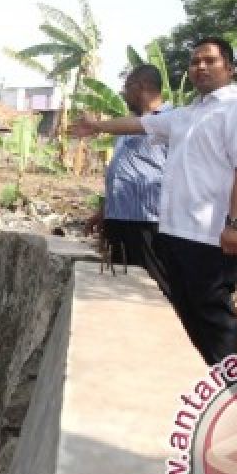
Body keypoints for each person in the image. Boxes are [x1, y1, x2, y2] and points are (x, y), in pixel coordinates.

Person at [72, 37, 237, 365]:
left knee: (213, 317)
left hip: (211, 234)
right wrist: (97, 126)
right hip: (176, 232)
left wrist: (235, 223)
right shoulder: (187, 115)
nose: (200, 67)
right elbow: (137, 124)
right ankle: (197, 384)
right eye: (194, 62)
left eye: (209, 61)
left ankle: (226, 388)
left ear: (230, 68)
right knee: (186, 311)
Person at [86, 64, 170, 298]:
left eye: (126, 88)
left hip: (149, 222)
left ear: (141, 86)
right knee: (118, 285)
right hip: (119, 220)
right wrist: (105, 211)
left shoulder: (171, 121)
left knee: (153, 285)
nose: (123, 94)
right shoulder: (126, 125)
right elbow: (122, 172)